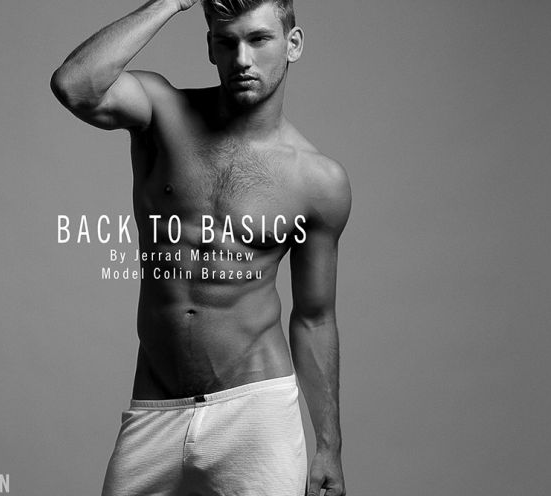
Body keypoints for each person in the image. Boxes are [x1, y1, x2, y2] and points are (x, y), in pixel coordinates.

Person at [51, 0, 350, 494]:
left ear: (292, 44)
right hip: (155, 410)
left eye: (259, 39)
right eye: (227, 42)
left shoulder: (319, 181)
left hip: (256, 414)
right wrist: (170, 2)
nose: (242, 59)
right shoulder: (161, 111)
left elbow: (314, 318)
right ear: (210, 47)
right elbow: (74, 85)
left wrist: (329, 445)